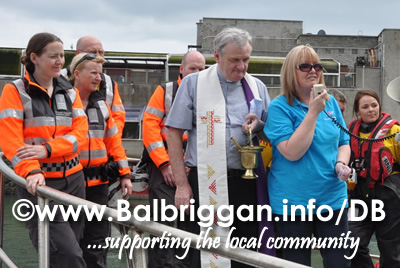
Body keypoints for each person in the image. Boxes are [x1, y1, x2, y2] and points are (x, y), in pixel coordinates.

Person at [166, 27, 271, 268]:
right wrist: (182, 185)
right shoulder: (194, 83)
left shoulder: (257, 86)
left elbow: (269, 133)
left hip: (246, 182)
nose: (242, 67)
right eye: (235, 60)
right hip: (204, 182)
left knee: (246, 253)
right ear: (217, 55)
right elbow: (173, 133)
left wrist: (259, 125)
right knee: (201, 252)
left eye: (246, 59)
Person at [0, 32, 88, 267]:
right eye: (53, 56)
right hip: (40, 184)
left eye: (62, 55)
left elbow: (80, 135)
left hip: (75, 182)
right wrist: (31, 171)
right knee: (67, 255)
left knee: (71, 248)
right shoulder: (15, 91)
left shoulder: (70, 92)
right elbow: (10, 141)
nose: (60, 61)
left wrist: (48, 149)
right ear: (34, 57)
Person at [264, 44, 352, 267]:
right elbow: (292, 152)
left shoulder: (330, 102)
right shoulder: (279, 107)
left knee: (339, 263)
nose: (313, 70)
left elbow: (344, 141)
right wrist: (313, 112)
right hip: (292, 204)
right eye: (305, 66)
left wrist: (341, 163)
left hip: (332, 199)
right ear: (290, 72)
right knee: (295, 264)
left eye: (317, 65)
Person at [68, 52, 133, 267]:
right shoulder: (61, 103)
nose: (99, 78)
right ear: (77, 74)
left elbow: (114, 142)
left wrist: (125, 175)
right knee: (70, 242)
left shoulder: (102, 106)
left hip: (98, 185)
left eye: (101, 74)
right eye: (94, 73)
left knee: (97, 242)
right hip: (68, 183)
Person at [142, 50, 205, 268]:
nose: (196, 73)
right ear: (181, 69)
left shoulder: (208, 93)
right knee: (163, 224)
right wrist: (166, 164)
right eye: (192, 68)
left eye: (201, 69)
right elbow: (149, 129)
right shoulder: (165, 91)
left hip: (194, 165)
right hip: (164, 167)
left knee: (192, 225)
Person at [347, 90, 400, 268]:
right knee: (351, 243)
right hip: (359, 196)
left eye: (374, 105)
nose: (371, 109)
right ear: (357, 110)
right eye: (365, 107)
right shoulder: (350, 131)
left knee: (390, 252)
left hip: (388, 197)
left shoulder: (394, 130)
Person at [61, 35, 126, 138]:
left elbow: (118, 116)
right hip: (66, 145)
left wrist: (113, 141)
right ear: (77, 53)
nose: (97, 56)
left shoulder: (109, 83)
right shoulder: (58, 79)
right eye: (92, 52)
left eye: (101, 52)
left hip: (98, 145)